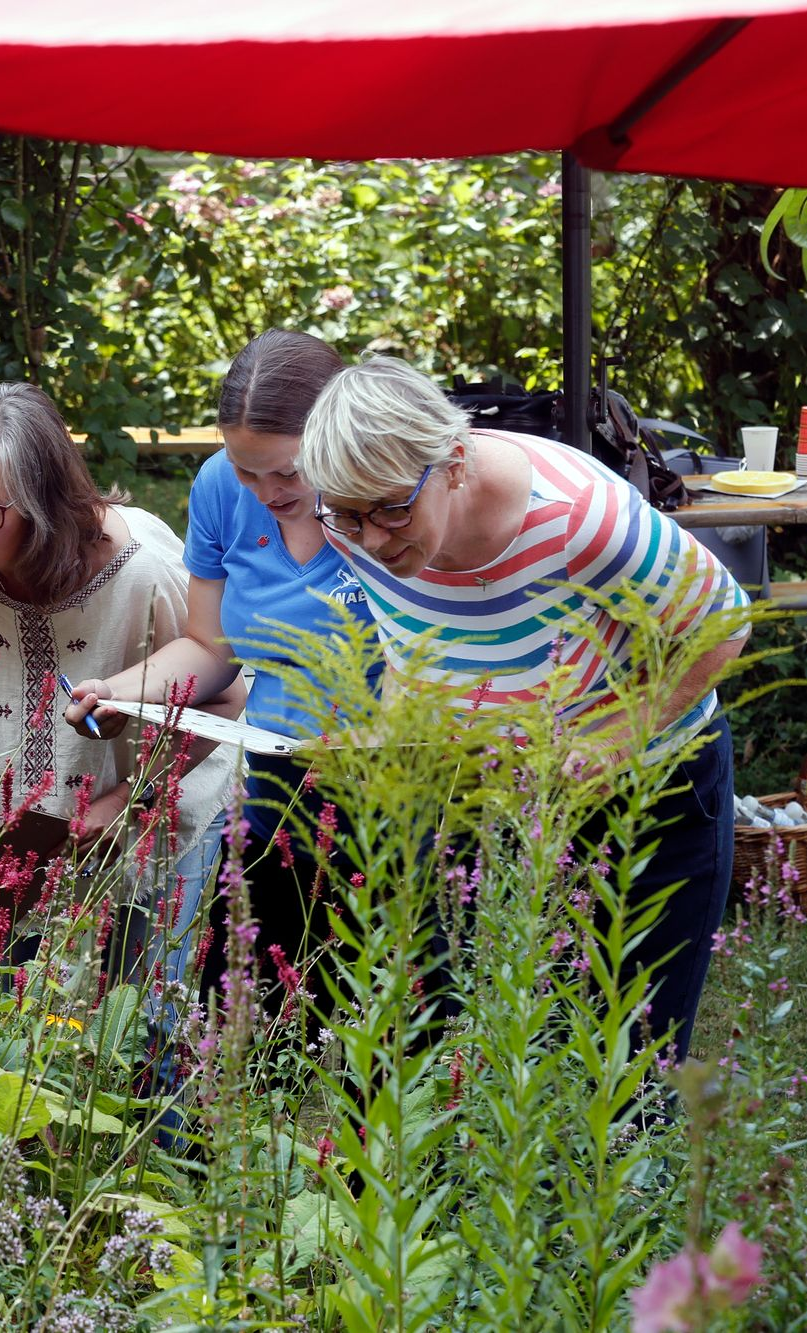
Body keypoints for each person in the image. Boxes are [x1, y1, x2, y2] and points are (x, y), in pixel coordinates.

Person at [299, 356, 750, 1061]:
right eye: (351, 515)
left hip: (649, 802)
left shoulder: (578, 517)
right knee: (512, 1059)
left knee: (627, 1068)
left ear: (452, 461)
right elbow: (413, 646)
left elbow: (724, 624)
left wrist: (617, 735)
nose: (374, 539)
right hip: (503, 805)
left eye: (391, 509)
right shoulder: (350, 524)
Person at [0, 382, 240, 980]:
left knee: (130, 1037)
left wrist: (125, 799)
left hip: (142, 833)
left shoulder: (143, 572)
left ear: (48, 503)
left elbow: (226, 699)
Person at [62, 331, 376, 1019]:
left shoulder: (385, 501)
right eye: (245, 471)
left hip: (395, 804)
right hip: (277, 794)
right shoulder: (218, 488)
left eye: (288, 473)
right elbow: (210, 645)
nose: (264, 493)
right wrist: (123, 689)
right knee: (235, 1032)